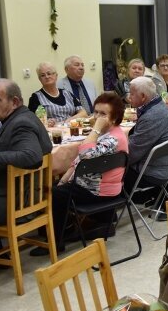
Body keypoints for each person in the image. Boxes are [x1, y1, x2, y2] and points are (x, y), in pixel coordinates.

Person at [30, 93, 128, 256]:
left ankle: (55, 241)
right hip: (99, 186)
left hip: (99, 191)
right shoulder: (108, 134)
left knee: (53, 193)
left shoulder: (113, 138)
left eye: (103, 114)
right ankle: (66, 229)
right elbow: (79, 160)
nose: (97, 117)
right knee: (54, 187)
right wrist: (66, 175)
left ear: (114, 117)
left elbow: (85, 153)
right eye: (96, 112)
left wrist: (95, 129)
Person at [0, 79, 52, 249]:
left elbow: (31, 156)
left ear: (15, 101)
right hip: (23, 197)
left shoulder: (21, 123)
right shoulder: (25, 116)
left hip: (13, 204)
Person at [123, 76, 168, 192]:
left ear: (143, 96)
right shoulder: (161, 106)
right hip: (164, 167)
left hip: (151, 173)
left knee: (108, 171)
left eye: (132, 94)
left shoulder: (152, 116)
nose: (129, 97)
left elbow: (132, 154)